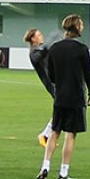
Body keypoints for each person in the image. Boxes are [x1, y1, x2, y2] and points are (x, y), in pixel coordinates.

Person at [38, 16, 90, 179]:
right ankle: (63, 172)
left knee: (55, 131)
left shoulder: (55, 49)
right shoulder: (82, 49)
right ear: (76, 27)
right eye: (81, 24)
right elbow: (88, 74)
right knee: (71, 134)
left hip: (60, 96)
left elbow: (52, 75)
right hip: (76, 97)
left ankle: (45, 167)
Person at [27, 27, 59, 159]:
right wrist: (48, 44)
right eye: (38, 35)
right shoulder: (34, 51)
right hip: (52, 84)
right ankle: (45, 135)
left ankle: (46, 134)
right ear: (33, 38)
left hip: (56, 82)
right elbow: (39, 56)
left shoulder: (39, 49)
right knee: (60, 109)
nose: (41, 36)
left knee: (60, 109)